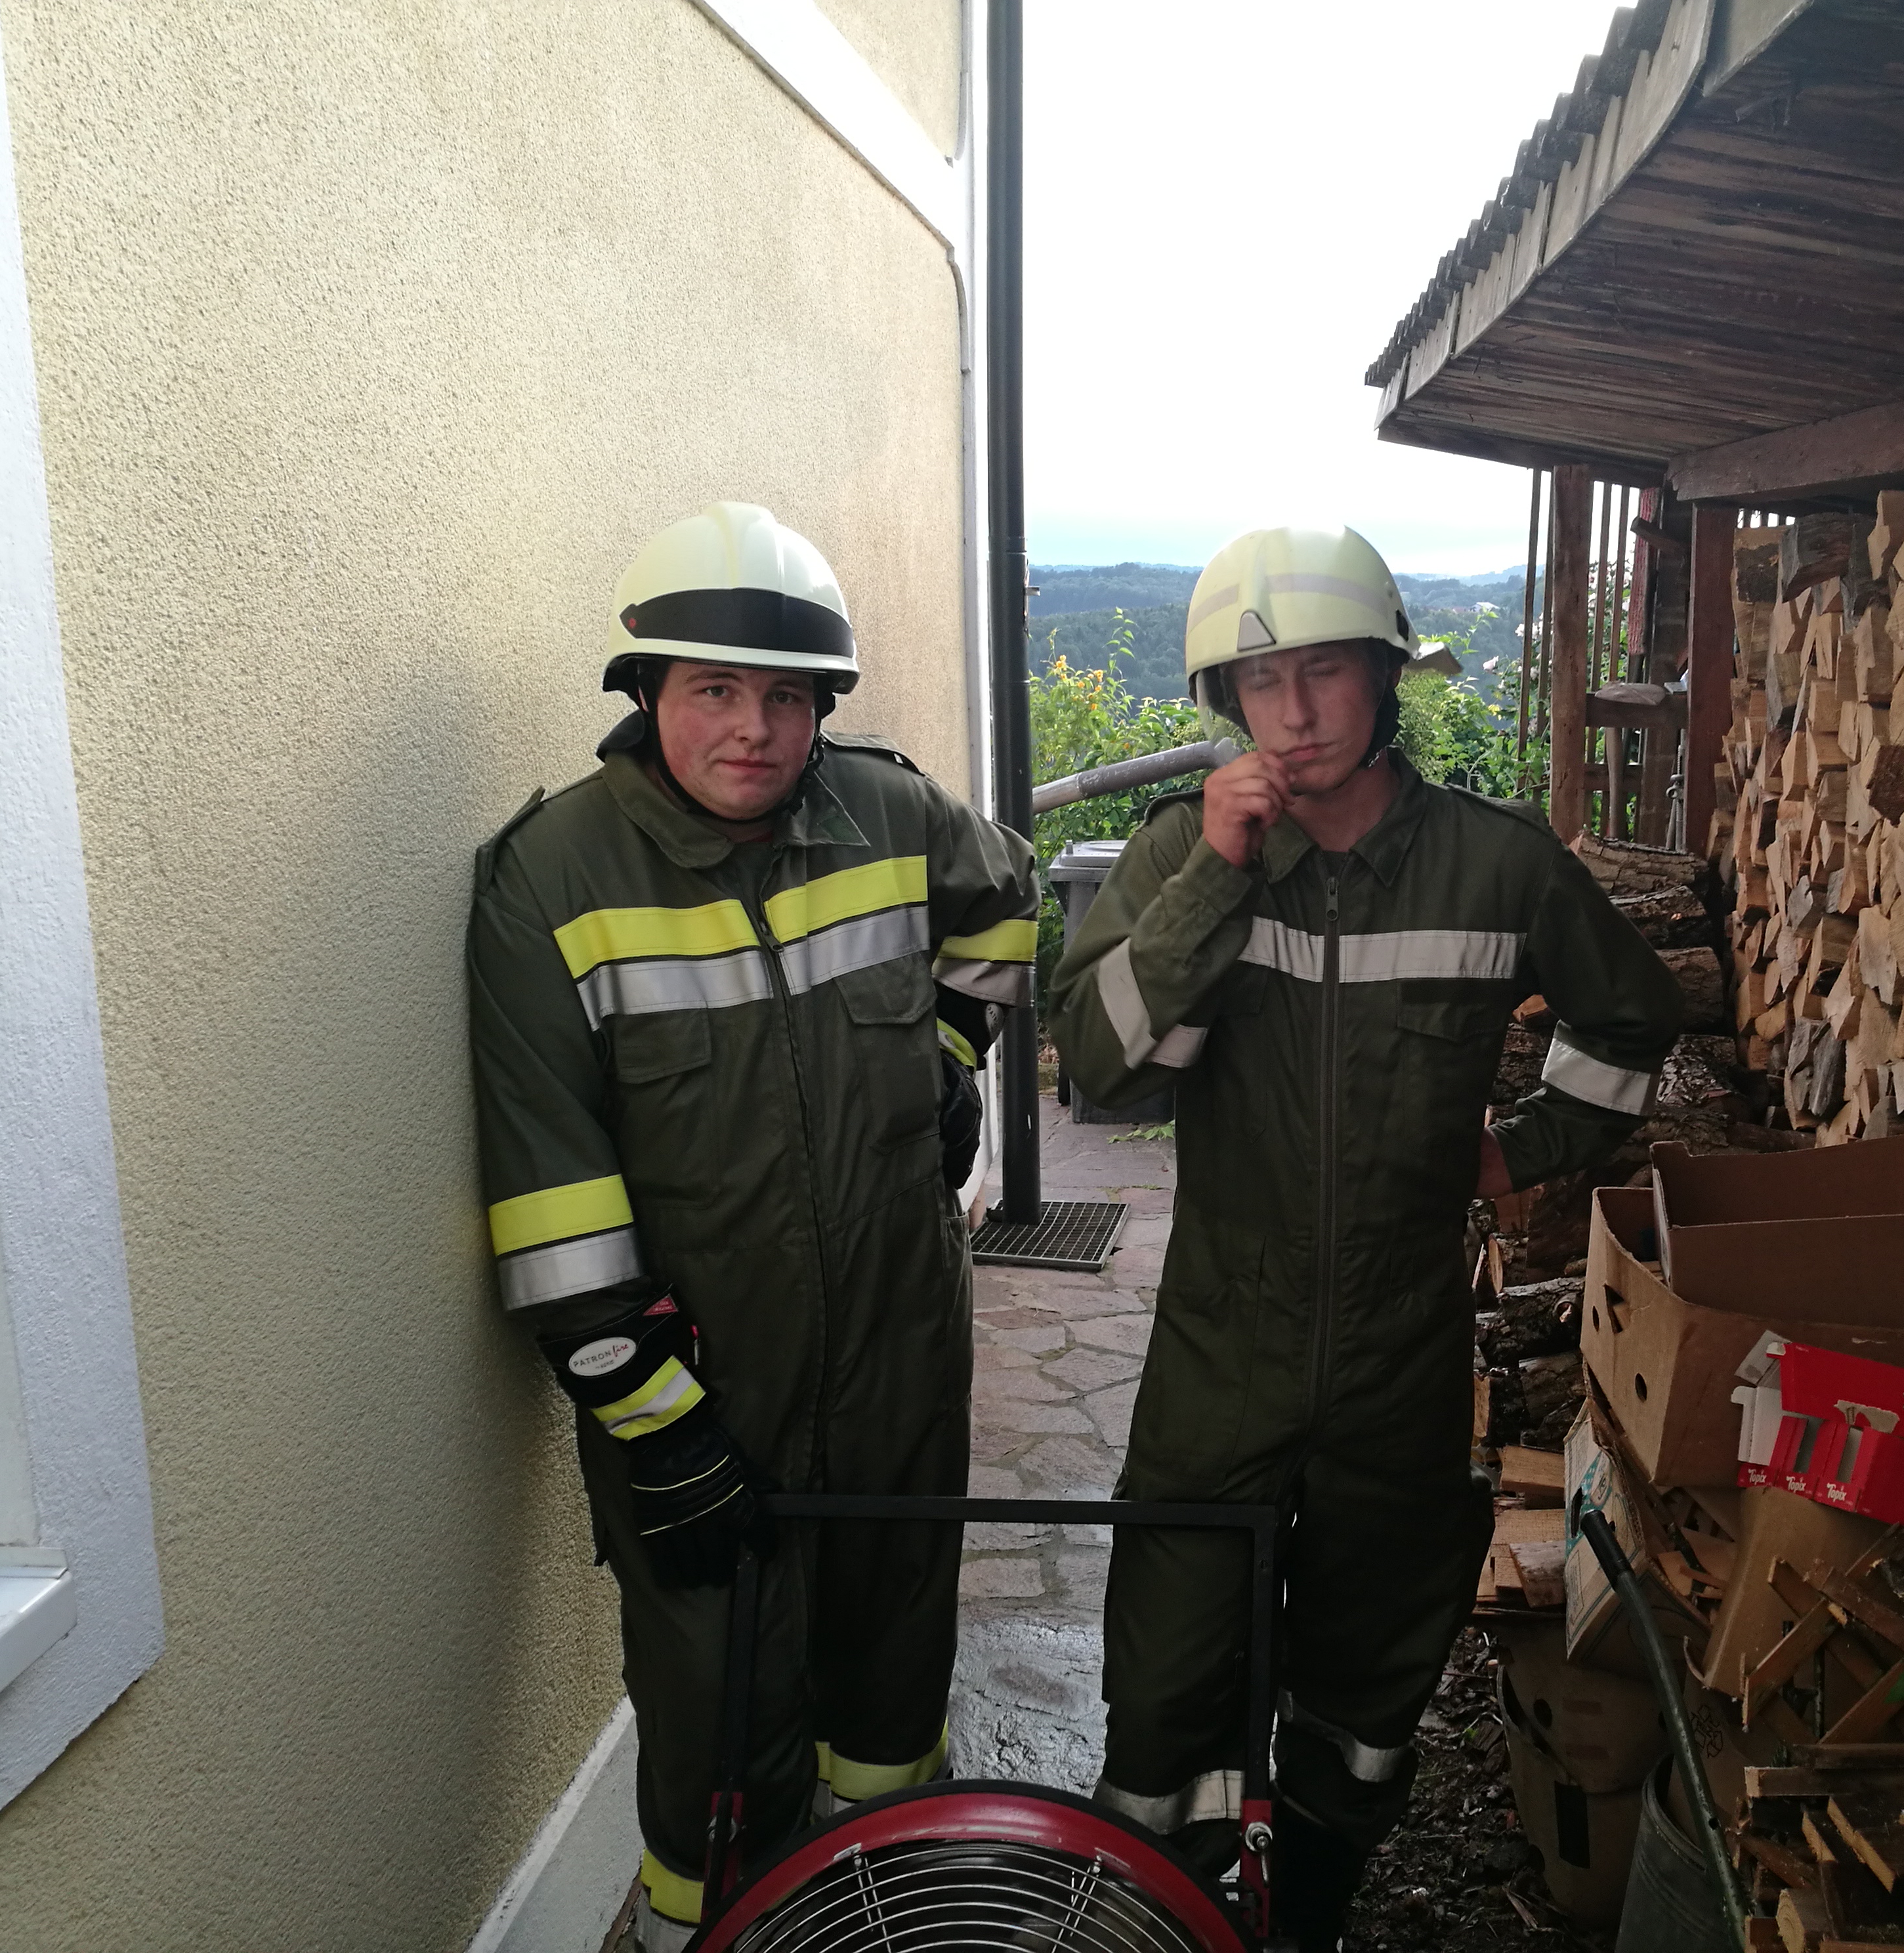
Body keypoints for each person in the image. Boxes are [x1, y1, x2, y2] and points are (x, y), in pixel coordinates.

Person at [1052, 525, 1685, 1946]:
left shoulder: (1495, 864)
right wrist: (1217, 875)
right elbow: (1098, 1066)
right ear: (1226, 699)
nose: (1293, 713)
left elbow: (1633, 1019)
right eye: (1259, 681)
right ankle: (1170, 1918)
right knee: (1165, 1691)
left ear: (1385, 676)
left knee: (1363, 1702)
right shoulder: (1183, 850)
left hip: (1403, 1364)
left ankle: (1307, 1920)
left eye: (1324, 671)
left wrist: (1521, 1149)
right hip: (1219, 1354)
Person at [468, 503, 1038, 1950]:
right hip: (706, 1391)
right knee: (720, 1727)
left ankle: (888, 1903)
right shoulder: (552, 877)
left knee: (894, 1677)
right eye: (714, 689)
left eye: (788, 697)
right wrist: (659, 1430)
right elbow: (551, 1204)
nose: (754, 730)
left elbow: (1009, 906)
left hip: (903, 1344)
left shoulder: (890, 810)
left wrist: (950, 1057)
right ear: (644, 689)